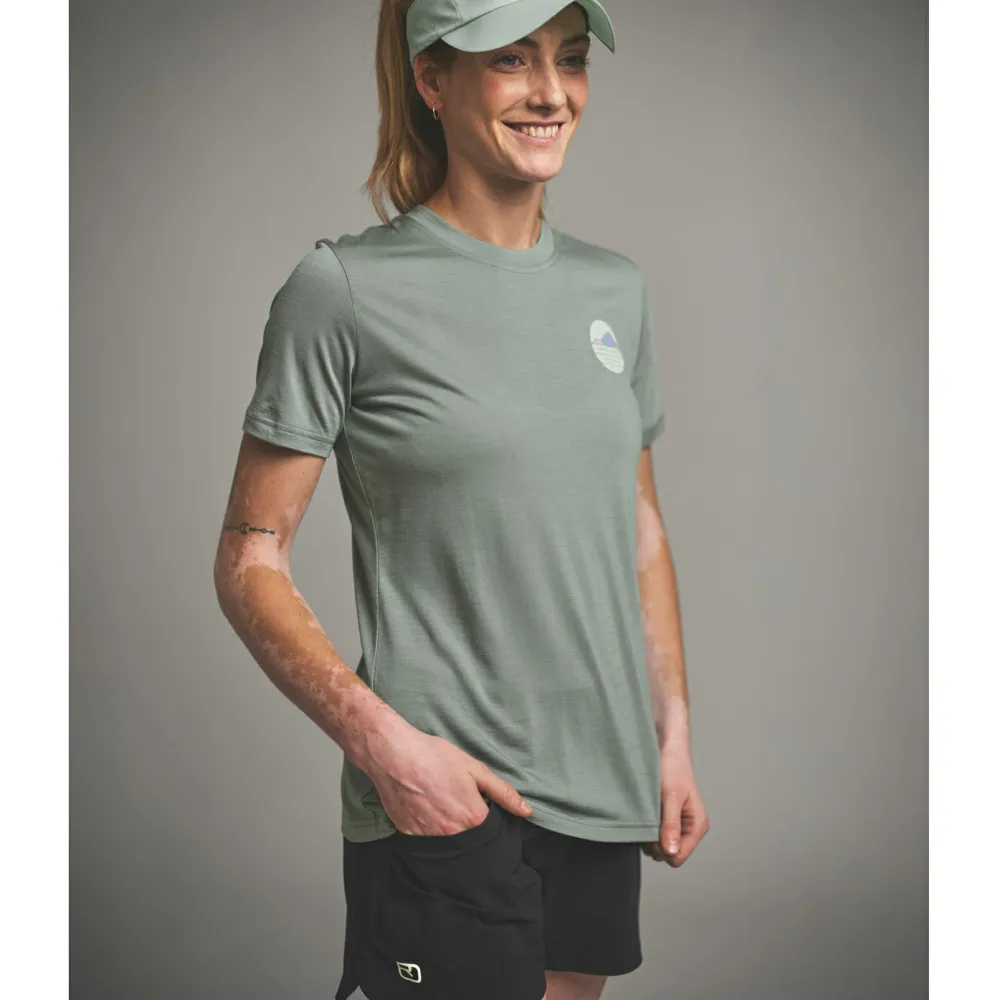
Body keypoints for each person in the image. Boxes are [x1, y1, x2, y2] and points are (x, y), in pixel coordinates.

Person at [214, 1, 709, 997]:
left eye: (570, 59)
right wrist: (382, 745)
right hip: (449, 791)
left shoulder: (614, 291)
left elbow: (639, 529)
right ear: (432, 81)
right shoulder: (342, 288)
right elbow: (249, 557)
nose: (552, 93)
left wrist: (671, 736)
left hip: (603, 786)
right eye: (511, 60)